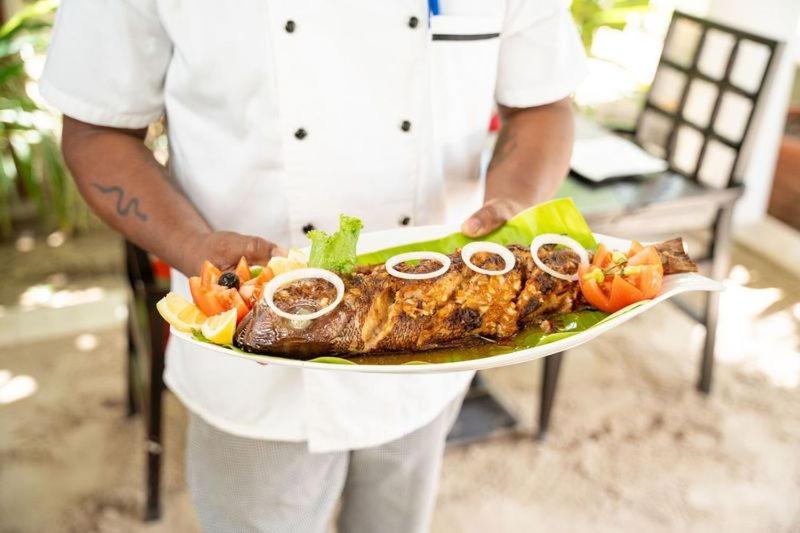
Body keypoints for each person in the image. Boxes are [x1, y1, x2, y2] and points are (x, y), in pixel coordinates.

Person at [42, 1, 585, 531]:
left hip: (434, 343)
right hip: (251, 357)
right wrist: (193, 245)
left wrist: (515, 207)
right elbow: (97, 131)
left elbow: (543, 102)